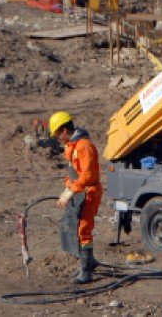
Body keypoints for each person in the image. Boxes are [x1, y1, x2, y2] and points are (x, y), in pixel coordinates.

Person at [49, 111, 103, 284]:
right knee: (77, 227)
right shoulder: (73, 146)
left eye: (57, 134)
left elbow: (87, 175)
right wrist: (68, 189)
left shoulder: (83, 146)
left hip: (88, 192)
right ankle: (89, 262)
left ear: (64, 130)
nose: (57, 138)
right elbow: (75, 173)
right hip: (80, 191)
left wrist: (71, 190)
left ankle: (86, 272)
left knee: (83, 230)